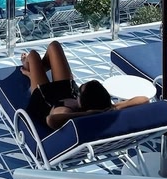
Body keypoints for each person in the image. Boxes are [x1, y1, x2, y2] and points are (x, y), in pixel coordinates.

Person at [20, 41, 149, 130]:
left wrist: (88, 114)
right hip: (67, 91)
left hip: (45, 97)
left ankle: (30, 70)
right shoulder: (107, 109)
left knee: (33, 55)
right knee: (54, 46)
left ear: (82, 103)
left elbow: (51, 120)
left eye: (80, 90)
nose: (79, 86)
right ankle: (38, 69)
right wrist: (109, 108)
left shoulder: (66, 112)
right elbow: (144, 99)